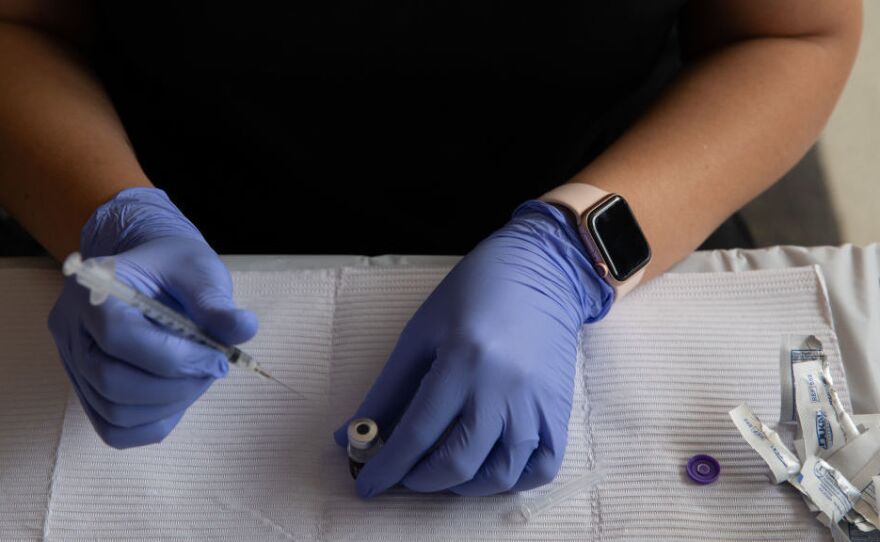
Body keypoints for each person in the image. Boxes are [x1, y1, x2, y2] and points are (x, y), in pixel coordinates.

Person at [0, 1, 861, 498]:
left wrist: (572, 253)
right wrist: (106, 214)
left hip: (627, 184)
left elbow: (793, 33)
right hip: (154, 189)